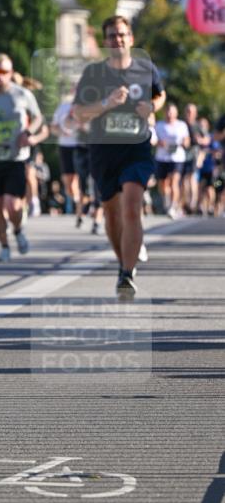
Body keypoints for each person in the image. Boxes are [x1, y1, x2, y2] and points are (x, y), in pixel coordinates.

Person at [73, 15, 165, 299]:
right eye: (112, 36)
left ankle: (127, 273)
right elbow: (78, 113)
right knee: (112, 214)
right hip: (103, 150)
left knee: (131, 205)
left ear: (131, 39)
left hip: (136, 148)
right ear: (105, 42)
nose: (118, 40)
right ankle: (123, 263)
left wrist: (150, 106)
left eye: (122, 35)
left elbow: (160, 95)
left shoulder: (145, 68)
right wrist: (106, 103)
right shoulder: (93, 74)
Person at [0, 53, 47, 263]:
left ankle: (18, 230)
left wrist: (28, 132)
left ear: (11, 73)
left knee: (12, 205)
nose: (0, 76)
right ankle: (4, 245)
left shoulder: (22, 94)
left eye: (4, 72)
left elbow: (39, 118)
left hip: (15, 157)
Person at [154, 103, 190, 219]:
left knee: (174, 182)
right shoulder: (159, 125)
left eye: (172, 112)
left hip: (177, 157)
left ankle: (173, 207)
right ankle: (167, 200)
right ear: (165, 113)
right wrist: (160, 143)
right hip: (162, 157)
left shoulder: (181, 125)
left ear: (176, 113)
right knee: (163, 184)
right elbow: (153, 140)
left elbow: (187, 140)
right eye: (168, 111)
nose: (169, 114)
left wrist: (184, 142)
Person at [181, 103, 209, 215]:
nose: (189, 114)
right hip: (181, 155)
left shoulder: (198, 125)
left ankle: (192, 204)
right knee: (184, 180)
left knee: (192, 178)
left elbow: (207, 139)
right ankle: (186, 203)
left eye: (191, 112)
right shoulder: (181, 124)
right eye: (187, 111)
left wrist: (200, 141)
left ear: (195, 113)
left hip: (194, 154)